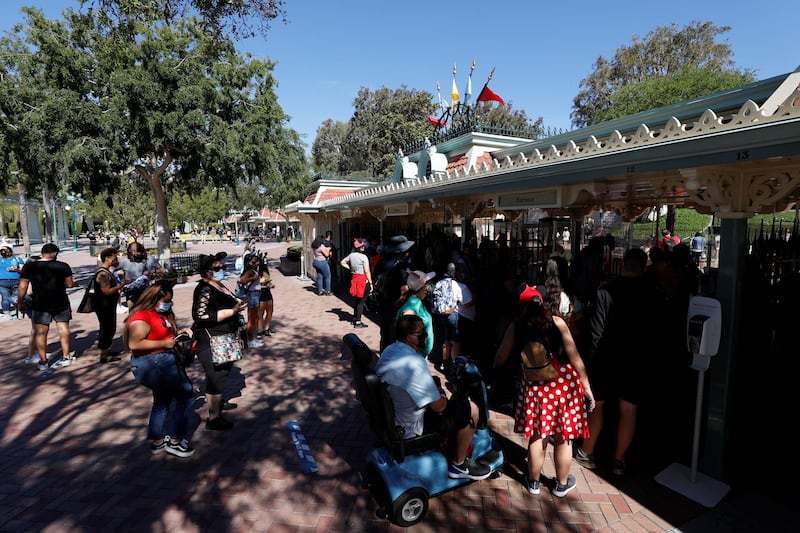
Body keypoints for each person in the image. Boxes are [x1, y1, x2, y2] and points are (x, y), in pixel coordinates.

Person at [494, 285, 595, 496]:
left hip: (535, 388)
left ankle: (533, 483)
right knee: (562, 437)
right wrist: (586, 387)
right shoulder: (557, 322)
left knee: (537, 436)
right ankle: (561, 484)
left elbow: (500, 358)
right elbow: (575, 357)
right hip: (564, 387)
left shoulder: (517, 325)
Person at [575, 248, 661, 476]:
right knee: (629, 409)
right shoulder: (653, 294)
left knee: (597, 405)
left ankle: (587, 452)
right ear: (644, 267)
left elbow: (595, 333)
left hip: (605, 359)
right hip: (636, 361)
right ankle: (619, 459)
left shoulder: (605, 291)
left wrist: (591, 363)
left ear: (623, 264)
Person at [375, 314, 492, 481]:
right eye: (421, 333)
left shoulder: (390, 350)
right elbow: (440, 407)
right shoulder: (415, 363)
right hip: (411, 427)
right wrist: (441, 393)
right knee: (471, 409)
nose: (425, 336)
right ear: (409, 337)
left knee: (439, 387)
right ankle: (458, 465)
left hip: (394, 415)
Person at [126, 281, 196, 458]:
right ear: (154, 298)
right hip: (154, 361)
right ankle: (175, 440)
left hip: (162, 360)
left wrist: (179, 332)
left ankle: (157, 440)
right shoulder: (141, 316)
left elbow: (163, 332)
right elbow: (135, 343)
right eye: (166, 300)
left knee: (162, 399)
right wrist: (165, 343)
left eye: (170, 300)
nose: (168, 304)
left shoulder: (159, 314)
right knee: (186, 396)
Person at [192, 252, 248, 431]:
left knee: (221, 374)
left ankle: (217, 403)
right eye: (217, 268)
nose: (221, 270)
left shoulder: (217, 285)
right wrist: (232, 311)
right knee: (217, 377)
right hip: (212, 341)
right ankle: (213, 418)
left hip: (225, 338)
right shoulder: (205, 289)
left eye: (223, 267)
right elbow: (201, 315)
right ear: (206, 271)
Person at [17, 243, 77, 371]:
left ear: (42, 252)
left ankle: (43, 361)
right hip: (60, 301)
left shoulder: (29, 266)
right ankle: (66, 357)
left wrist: (20, 301)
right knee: (63, 329)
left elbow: (22, 285)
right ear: (54, 253)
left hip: (40, 302)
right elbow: (70, 284)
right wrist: (73, 283)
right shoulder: (63, 266)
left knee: (41, 332)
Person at [373, 235, 414, 352]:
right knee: (395, 338)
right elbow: (404, 290)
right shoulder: (401, 266)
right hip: (395, 307)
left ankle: (383, 361)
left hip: (382, 305)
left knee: (384, 336)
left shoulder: (381, 263)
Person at [91, 247, 133, 363]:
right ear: (108, 258)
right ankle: (104, 355)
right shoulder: (103, 274)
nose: (117, 260)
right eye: (115, 257)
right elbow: (107, 291)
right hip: (104, 306)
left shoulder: (107, 271)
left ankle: (106, 351)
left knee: (110, 328)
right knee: (107, 329)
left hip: (108, 305)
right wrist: (122, 284)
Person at [396, 270, 436, 358]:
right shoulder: (413, 303)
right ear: (422, 287)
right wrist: (416, 352)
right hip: (414, 355)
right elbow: (407, 330)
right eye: (427, 283)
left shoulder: (414, 300)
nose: (429, 286)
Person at [430, 263, 461, 368]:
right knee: (456, 341)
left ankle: (444, 362)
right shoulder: (455, 285)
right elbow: (463, 300)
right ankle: (454, 365)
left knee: (446, 339)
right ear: (453, 272)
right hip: (452, 315)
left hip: (441, 315)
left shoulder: (438, 283)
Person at [340, 237, 373, 328]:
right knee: (361, 302)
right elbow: (367, 271)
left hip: (355, 278)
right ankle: (358, 321)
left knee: (357, 300)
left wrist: (350, 268)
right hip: (362, 279)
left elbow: (342, 262)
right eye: (362, 246)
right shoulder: (363, 257)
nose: (364, 248)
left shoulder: (351, 255)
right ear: (360, 247)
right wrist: (370, 283)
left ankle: (355, 318)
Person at [117, 241, 163, 306]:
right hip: (131, 293)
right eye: (133, 253)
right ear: (129, 252)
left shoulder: (149, 259)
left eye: (138, 253)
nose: (136, 255)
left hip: (146, 292)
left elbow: (161, 270)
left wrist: (152, 272)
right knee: (133, 314)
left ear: (142, 251)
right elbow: (110, 270)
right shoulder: (124, 260)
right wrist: (120, 283)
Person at [238, 252, 263, 348]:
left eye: (257, 261)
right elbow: (242, 280)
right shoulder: (249, 271)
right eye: (254, 262)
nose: (256, 263)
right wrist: (254, 278)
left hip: (256, 294)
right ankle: (250, 340)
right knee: (252, 319)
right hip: (252, 295)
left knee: (255, 318)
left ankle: (252, 337)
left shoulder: (253, 270)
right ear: (249, 262)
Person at [0, 240, 25, 319]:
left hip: (16, 281)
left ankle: (19, 311)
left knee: (16, 298)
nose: (3, 252)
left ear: (10, 250)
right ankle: (7, 313)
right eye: (1, 250)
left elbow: (23, 270)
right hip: (2, 282)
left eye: (5, 250)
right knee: (5, 297)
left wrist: (15, 270)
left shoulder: (18, 259)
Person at [256, 258, 276, 337]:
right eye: (264, 261)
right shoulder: (256, 272)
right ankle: (260, 331)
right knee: (260, 313)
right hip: (261, 294)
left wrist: (270, 284)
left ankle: (267, 329)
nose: (266, 262)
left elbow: (268, 281)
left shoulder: (266, 271)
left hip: (268, 292)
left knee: (270, 312)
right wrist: (264, 285)